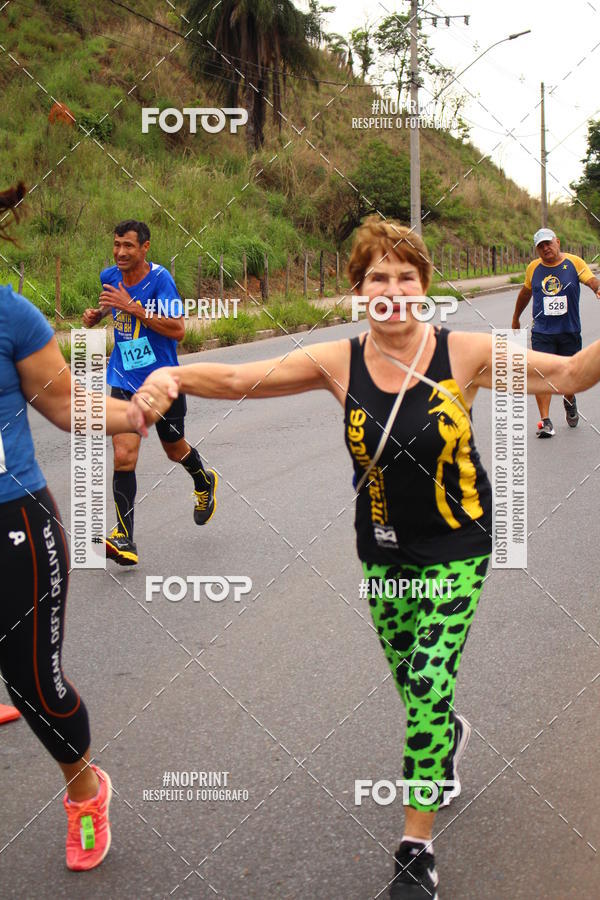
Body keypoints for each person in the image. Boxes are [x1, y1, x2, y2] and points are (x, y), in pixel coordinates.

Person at [140, 215, 600, 898]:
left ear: (423, 287)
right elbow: (242, 380)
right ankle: (445, 737)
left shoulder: (464, 352)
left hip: (458, 543)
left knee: (427, 683)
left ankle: (416, 850)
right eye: (376, 277)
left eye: (404, 277)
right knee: (412, 679)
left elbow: (566, 372)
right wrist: (171, 379)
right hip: (382, 551)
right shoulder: (340, 360)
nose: (390, 289)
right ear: (358, 289)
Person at [0, 182, 178, 871]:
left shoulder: (10, 313)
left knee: (36, 688)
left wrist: (135, 415)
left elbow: (70, 407)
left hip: (12, 519)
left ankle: (84, 791)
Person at [82, 220, 217, 566]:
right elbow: (113, 304)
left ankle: (204, 480)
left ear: (145, 247)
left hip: (162, 381)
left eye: (128, 246)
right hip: (125, 378)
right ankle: (124, 536)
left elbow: (179, 330)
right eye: (116, 245)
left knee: (174, 450)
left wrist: (136, 309)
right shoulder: (109, 275)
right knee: (124, 455)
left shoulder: (161, 281)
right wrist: (99, 315)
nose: (121, 252)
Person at [512, 227, 600, 437]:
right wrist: (516, 318)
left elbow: (590, 279)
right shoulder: (533, 268)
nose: (545, 248)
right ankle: (545, 421)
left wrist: (597, 288)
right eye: (540, 246)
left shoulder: (574, 262)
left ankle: (569, 401)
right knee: (541, 375)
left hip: (569, 331)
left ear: (557, 242)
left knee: (568, 376)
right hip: (542, 332)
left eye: (548, 243)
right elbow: (525, 293)